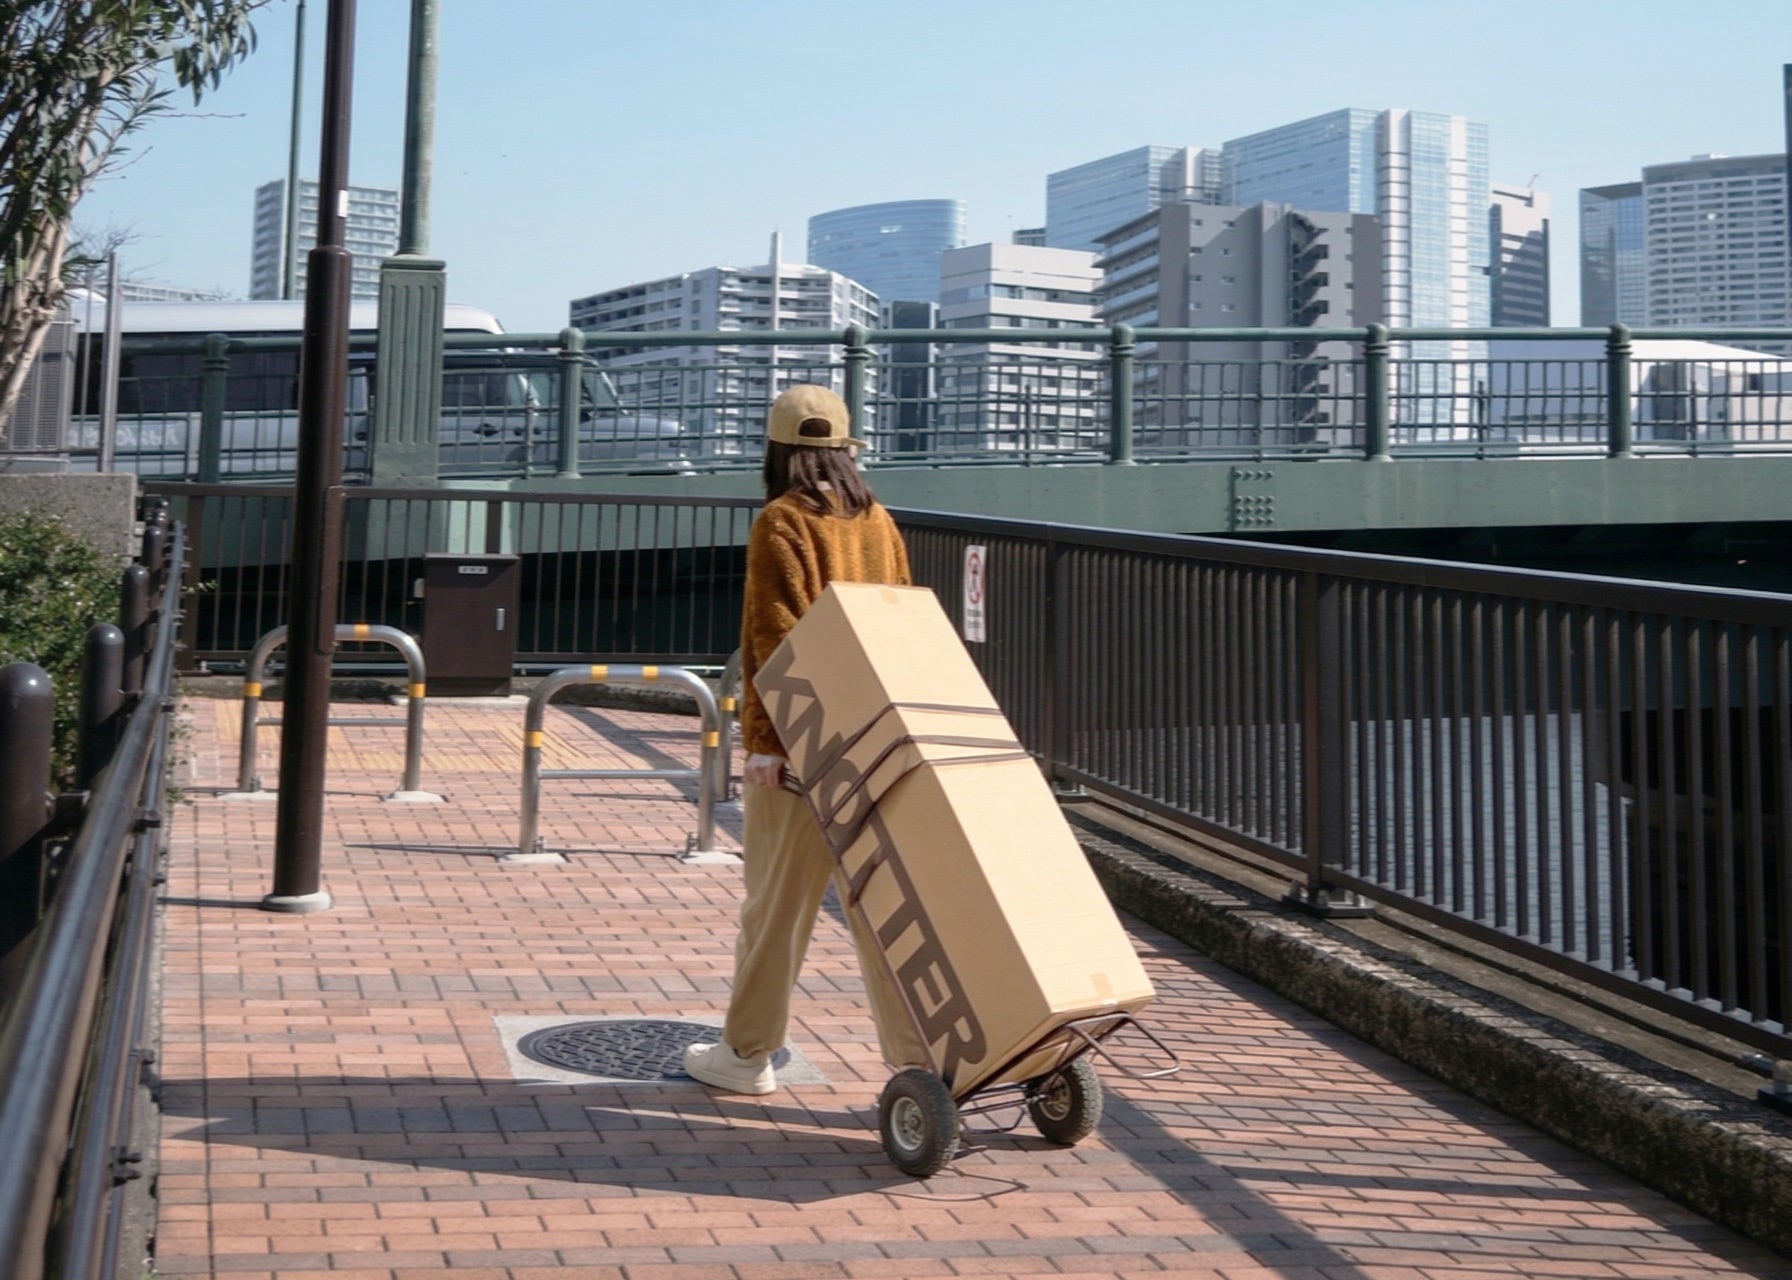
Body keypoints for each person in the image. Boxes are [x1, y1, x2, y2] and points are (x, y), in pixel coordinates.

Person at [683, 383, 928, 1094]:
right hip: (874, 740)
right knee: (883, 913)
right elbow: (902, 617)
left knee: (776, 910)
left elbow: (775, 634)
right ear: (847, 448)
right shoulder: (877, 520)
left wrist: (766, 741)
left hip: (803, 746)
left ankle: (746, 1055)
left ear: (776, 450)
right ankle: (921, 1058)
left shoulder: (782, 521)